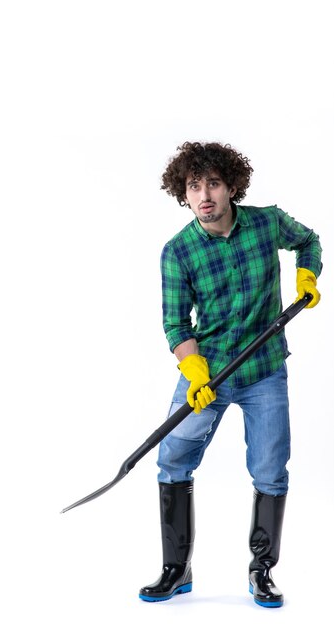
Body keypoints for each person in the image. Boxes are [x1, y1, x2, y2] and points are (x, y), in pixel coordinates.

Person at [139, 141, 322, 608]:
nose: (204, 195)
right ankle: (176, 569)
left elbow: (308, 241)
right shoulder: (177, 252)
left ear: (231, 187)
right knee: (173, 458)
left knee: (269, 470)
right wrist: (194, 370)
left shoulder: (266, 223)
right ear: (183, 192)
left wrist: (307, 275)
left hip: (264, 371)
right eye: (194, 185)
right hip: (209, 374)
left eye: (214, 184)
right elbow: (176, 324)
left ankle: (262, 571)